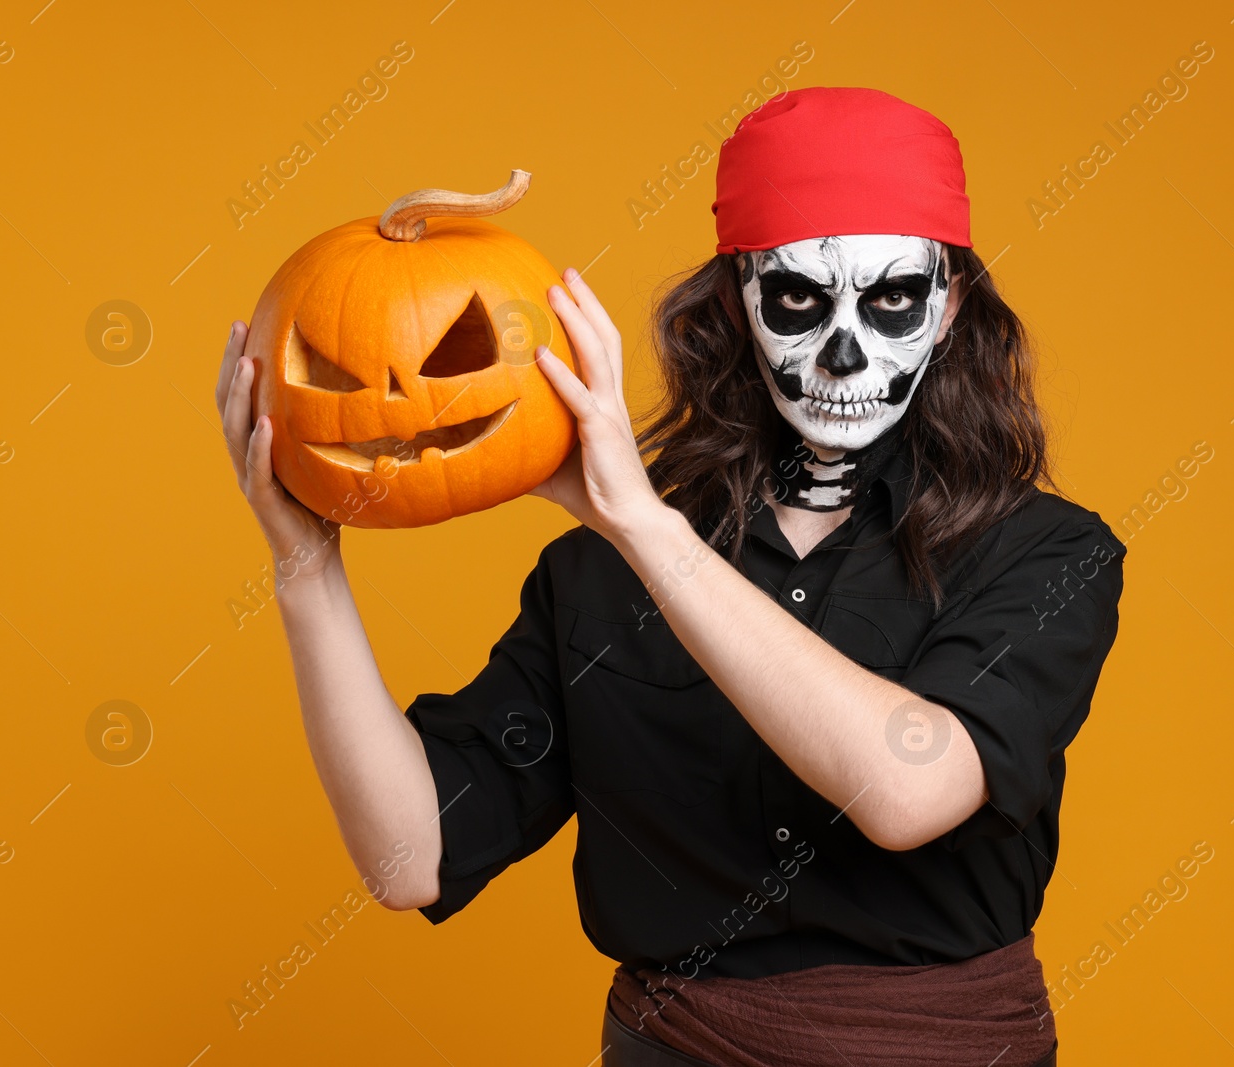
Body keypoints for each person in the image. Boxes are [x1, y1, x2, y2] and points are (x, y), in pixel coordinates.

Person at [216, 86, 1125, 1067]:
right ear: (739, 304)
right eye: (797, 298)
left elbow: (908, 792)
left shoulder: (1047, 552)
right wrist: (304, 564)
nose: (845, 348)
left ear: (947, 307)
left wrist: (642, 525)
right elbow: (407, 856)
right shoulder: (594, 577)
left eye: (894, 296)